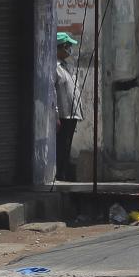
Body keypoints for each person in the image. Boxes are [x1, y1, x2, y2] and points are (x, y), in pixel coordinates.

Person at [55, 32, 83, 181]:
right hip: (62, 115)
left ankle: (63, 174)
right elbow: (52, 92)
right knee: (61, 146)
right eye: (68, 46)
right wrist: (55, 115)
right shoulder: (55, 67)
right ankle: (59, 174)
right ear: (61, 47)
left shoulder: (67, 66)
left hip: (71, 114)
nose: (70, 49)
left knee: (66, 147)